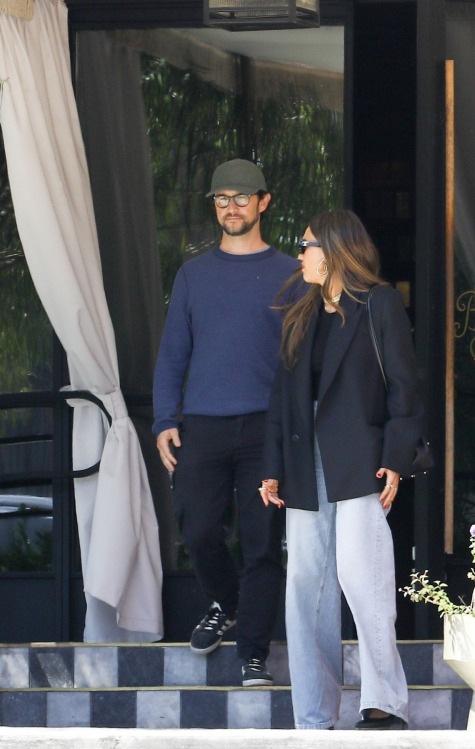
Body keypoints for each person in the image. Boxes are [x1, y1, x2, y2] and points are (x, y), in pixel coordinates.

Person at [259, 209, 424, 730]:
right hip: (305, 460)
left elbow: (404, 386)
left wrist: (396, 457)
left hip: (360, 458)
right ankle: (313, 714)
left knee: (360, 572)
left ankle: (384, 702)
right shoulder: (302, 313)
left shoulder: (377, 304)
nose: (300, 252)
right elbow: (281, 399)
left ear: (333, 250)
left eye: (306, 244)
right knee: (306, 584)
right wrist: (273, 467)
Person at [153, 159, 298, 687]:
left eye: (241, 198)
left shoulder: (292, 273)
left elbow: (302, 358)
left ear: (264, 202)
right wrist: (165, 417)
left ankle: (253, 654)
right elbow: (173, 354)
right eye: (221, 199)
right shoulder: (193, 274)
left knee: (262, 542)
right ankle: (227, 602)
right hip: (203, 426)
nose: (230, 207)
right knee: (196, 528)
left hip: (266, 429)